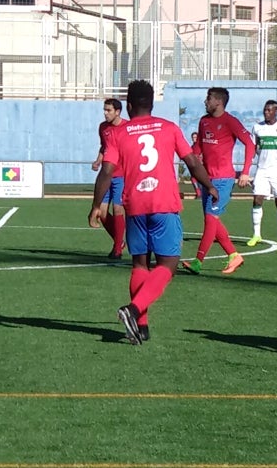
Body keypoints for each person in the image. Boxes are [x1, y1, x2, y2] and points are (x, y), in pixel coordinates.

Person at [91, 79, 215, 344]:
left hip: (134, 205)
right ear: (152, 103)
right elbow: (191, 161)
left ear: (128, 104)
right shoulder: (168, 128)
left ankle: (142, 327)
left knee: (139, 264)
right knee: (168, 264)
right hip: (164, 203)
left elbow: (107, 172)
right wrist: (209, 186)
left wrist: (95, 206)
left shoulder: (119, 134)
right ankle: (134, 310)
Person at [183, 87, 254, 275]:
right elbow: (198, 147)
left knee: (210, 219)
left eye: (209, 98)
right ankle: (234, 255)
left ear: (219, 102)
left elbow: (250, 144)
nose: (205, 102)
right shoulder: (204, 121)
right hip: (207, 179)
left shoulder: (230, 121)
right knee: (213, 221)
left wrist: (245, 172)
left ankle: (198, 262)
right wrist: (193, 159)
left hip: (223, 179)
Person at [248, 99, 277, 247]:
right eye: (265, 110)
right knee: (257, 200)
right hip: (262, 169)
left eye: (269, 110)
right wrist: (248, 169)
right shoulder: (257, 128)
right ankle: (256, 235)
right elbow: (253, 148)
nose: (266, 113)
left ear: (276, 111)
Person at [92, 97, 128, 260]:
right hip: (106, 176)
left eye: (109, 110)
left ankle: (117, 249)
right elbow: (104, 146)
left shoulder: (127, 128)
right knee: (102, 213)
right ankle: (119, 241)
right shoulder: (103, 127)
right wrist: (99, 160)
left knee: (118, 209)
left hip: (121, 175)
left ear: (118, 112)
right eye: (104, 110)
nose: (105, 113)